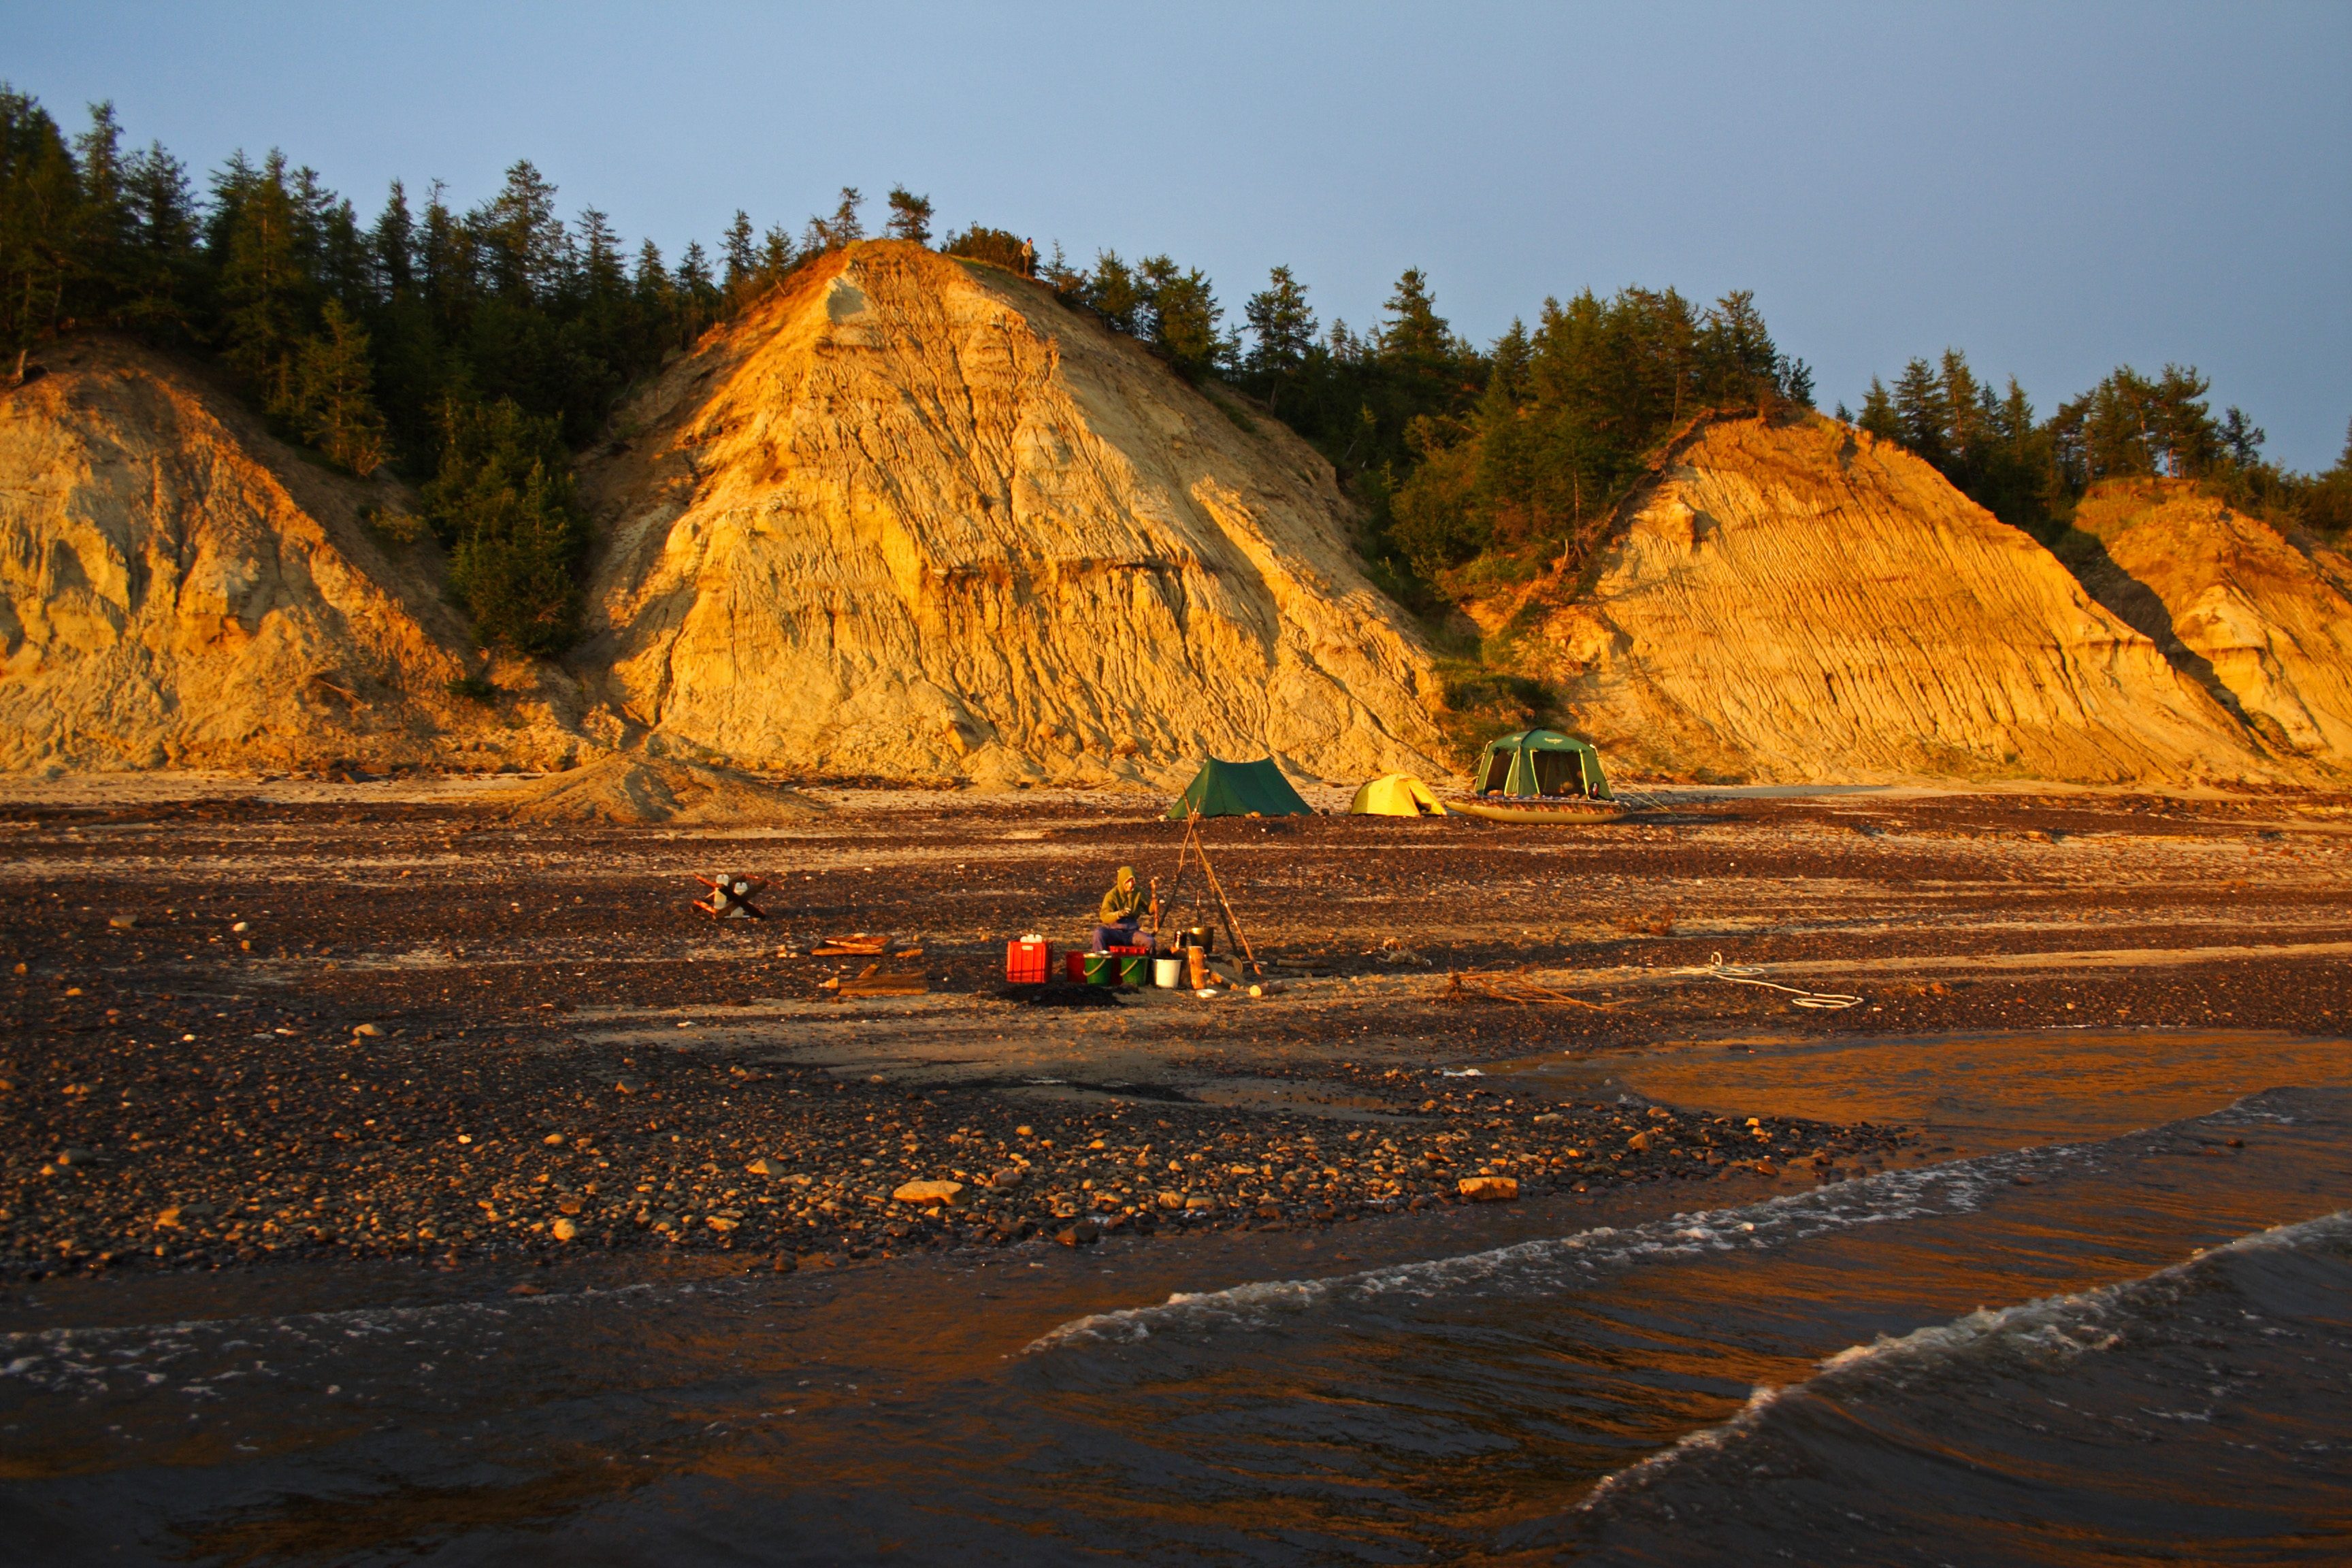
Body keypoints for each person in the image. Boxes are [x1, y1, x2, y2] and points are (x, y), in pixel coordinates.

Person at [1092, 865, 1152, 953]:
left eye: (1133, 881)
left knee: (1150, 941)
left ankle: (1149, 964)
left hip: (1133, 933)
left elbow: (1150, 910)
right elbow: (1104, 916)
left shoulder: (1138, 892)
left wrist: (1155, 904)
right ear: (1122, 881)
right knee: (1098, 933)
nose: (1131, 885)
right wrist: (1119, 914)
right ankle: (1099, 961)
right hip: (1115, 932)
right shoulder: (1112, 895)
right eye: (1128, 882)